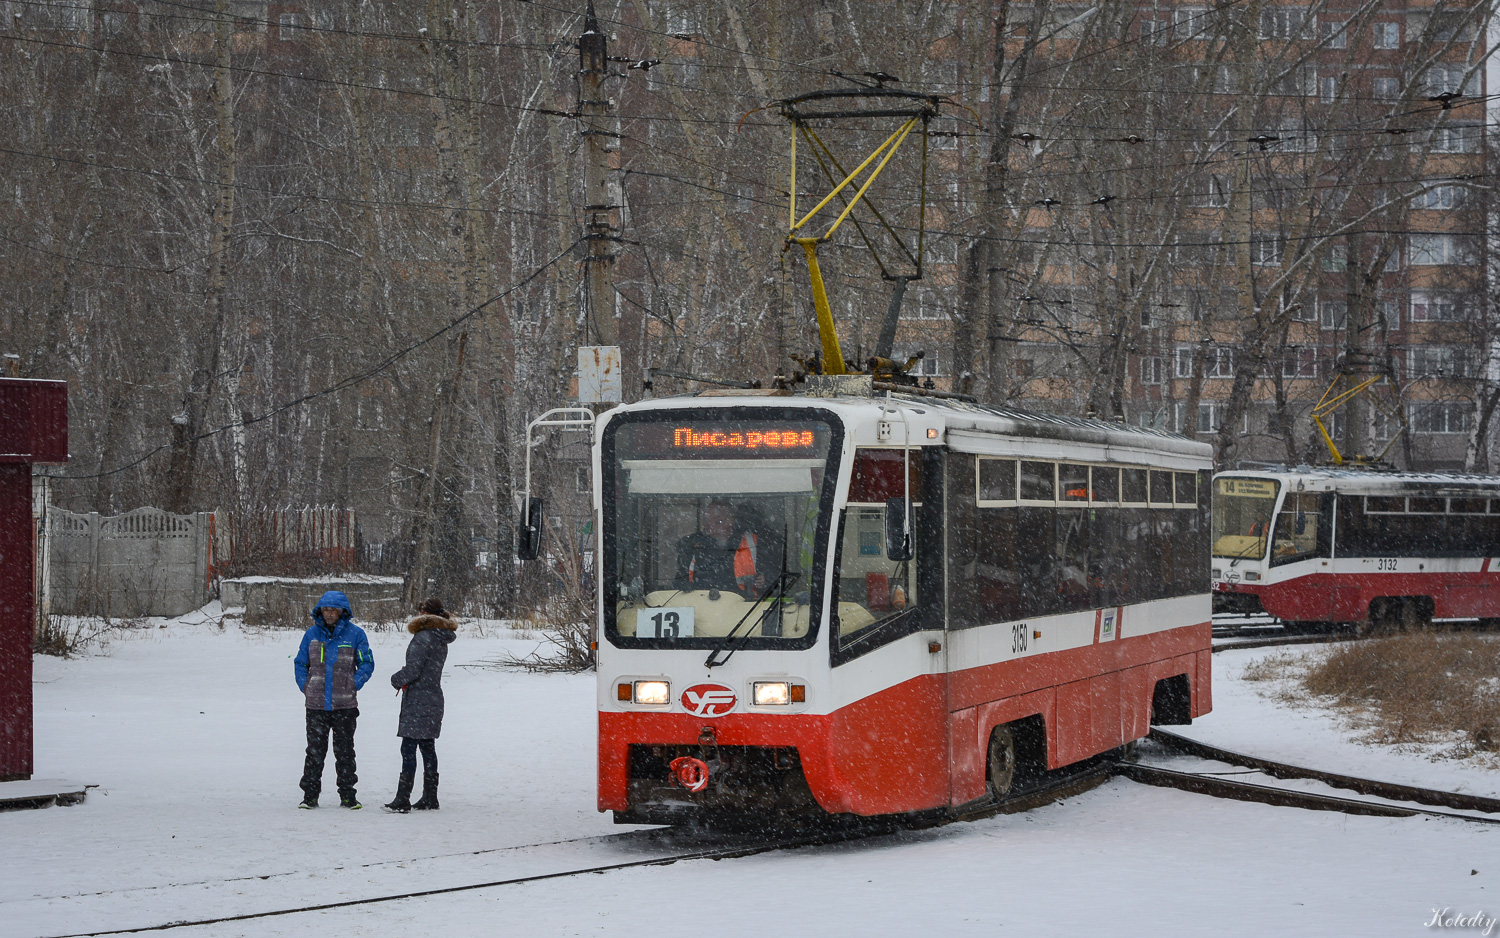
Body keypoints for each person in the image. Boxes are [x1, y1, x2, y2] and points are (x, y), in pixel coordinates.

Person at [294, 590, 374, 809]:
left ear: (342, 612)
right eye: (326, 609)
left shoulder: (356, 635)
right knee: (314, 752)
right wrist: (306, 686)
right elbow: (300, 663)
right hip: (316, 705)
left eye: (333, 610)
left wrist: (354, 683)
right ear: (320, 611)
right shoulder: (311, 634)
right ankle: (310, 796)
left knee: (345, 752)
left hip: (345, 705)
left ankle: (348, 795)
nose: (329, 614)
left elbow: (367, 663)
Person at [384, 597, 458, 813]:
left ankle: (403, 798)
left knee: (408, 747)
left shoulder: (423, 637)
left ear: (425, 613)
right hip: (434, 697)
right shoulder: (440, 637)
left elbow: (413, 670)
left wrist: (396, 678)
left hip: (418, 699)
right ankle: (430, 796)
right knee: (427, 747)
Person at [673, 501, 764, 596]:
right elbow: (679, 582)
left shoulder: (754, 543)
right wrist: (684, 586)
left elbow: (773, 580)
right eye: (706, 521)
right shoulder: (694, 545)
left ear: (731, 520)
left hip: (744, 606)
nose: (709, 526)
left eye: (717, 521)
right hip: (701, 604)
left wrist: (762, 582)